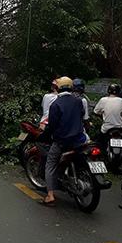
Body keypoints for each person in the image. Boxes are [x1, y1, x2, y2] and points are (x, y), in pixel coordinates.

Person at [40, 76, 86, 207]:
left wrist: (45, 135)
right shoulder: (79, 101)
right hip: (79, 140)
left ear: (58, 88)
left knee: (50, 164)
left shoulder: (56, 104)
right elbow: (82, 116)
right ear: (71, 87)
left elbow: (52, 125)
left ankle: (50, 196)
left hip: (62, 141)